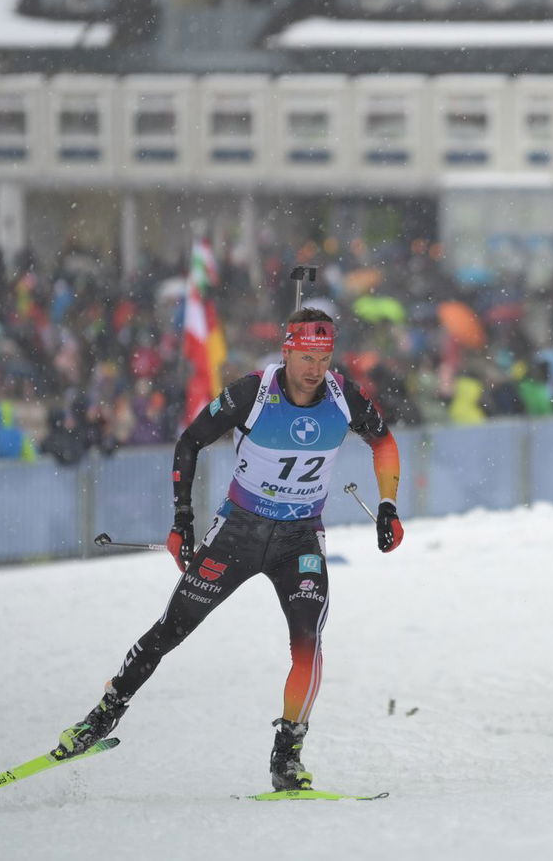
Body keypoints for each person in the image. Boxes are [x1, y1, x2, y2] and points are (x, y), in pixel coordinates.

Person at [54, 308, 405, 792]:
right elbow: (189, 442)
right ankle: (104, 714)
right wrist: (182, 520)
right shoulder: (253, 393)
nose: (314, 368)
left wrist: (387, 506)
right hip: (238, 531)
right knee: (173, 627)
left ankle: (288, 754)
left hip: (299, 538)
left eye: (323, 357)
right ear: (286, 351)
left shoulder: (345, 397)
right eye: (305, 356)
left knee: (308, 643)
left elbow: (384, 443)